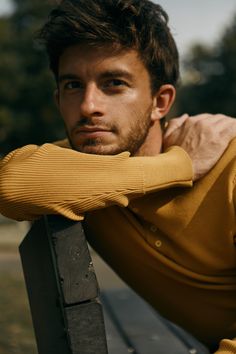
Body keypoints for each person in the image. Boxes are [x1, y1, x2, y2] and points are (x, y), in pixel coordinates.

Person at [0, 0, 236, 352]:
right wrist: (179, 166)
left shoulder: (229, 166)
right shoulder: (82, 169)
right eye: (72, 85)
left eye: (114, 83)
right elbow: (11, 184)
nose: (88, 106)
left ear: (161, 102)